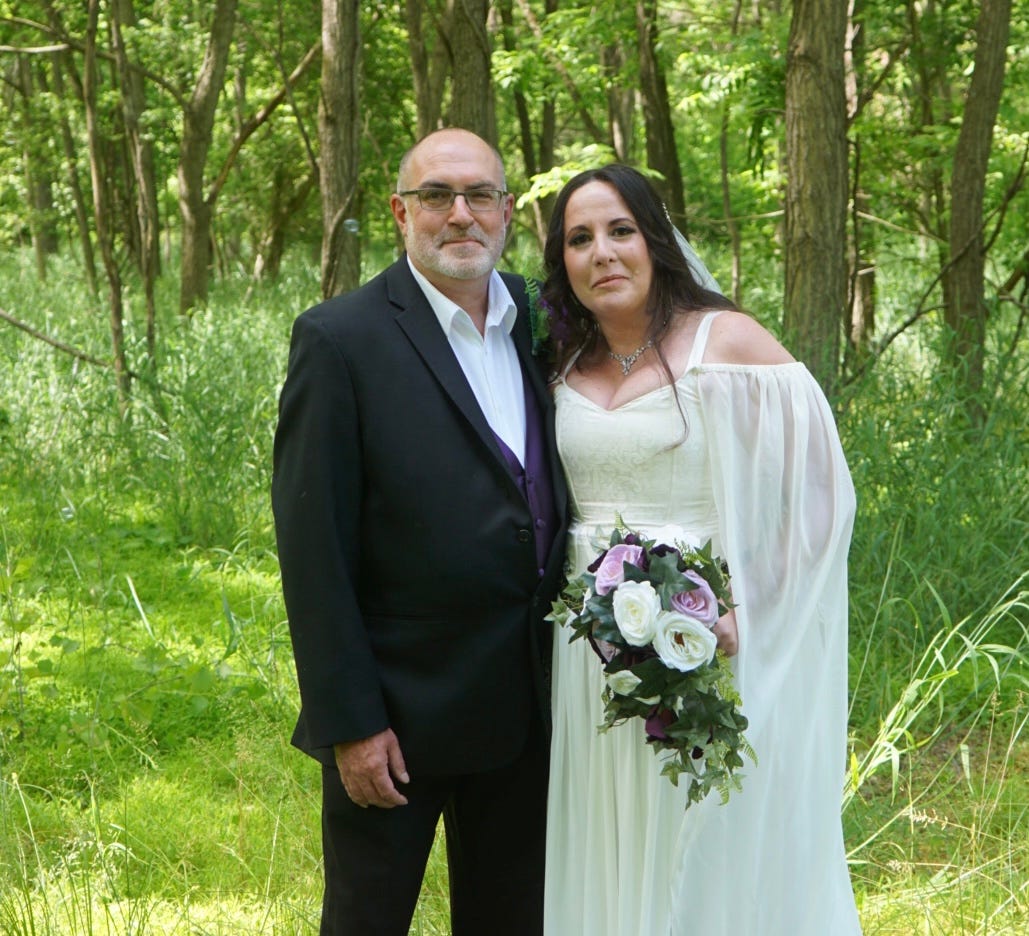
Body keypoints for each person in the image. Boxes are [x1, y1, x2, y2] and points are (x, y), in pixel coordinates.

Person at [540, 164, 863, 935]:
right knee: (604, 826)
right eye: (579, 239)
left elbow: (820, 498)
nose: (602, 253)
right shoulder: (558, 366)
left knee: (704, 832)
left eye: (619, 230)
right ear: (562, 264)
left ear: (654, 240)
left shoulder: (727, 343)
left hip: (701, 637)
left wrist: (746, 611)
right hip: (584, 653)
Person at [271, 127, 568, 936]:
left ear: (508, 213)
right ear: (402, 213)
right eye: (437, 196)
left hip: (529, 708)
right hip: (397, 716)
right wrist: (351, 722)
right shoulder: (341, 338)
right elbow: (312, 549)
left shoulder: (542, 324)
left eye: (479, 196)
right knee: (367, 921)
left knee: (515, 920)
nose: (459, 215)